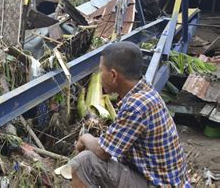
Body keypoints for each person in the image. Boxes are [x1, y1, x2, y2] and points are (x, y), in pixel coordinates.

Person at [70, 42, 188, 187]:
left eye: (101, 72)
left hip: (157, 184)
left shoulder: (136, 106)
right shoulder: (145, 90)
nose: (100, 77)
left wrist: (84, 138)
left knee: (83, 162)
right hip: (166, 180)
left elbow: (103, 151)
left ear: (113, 75)